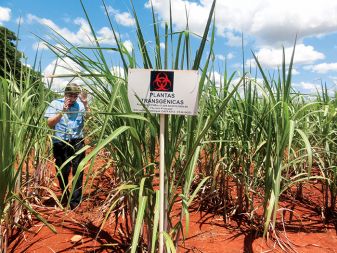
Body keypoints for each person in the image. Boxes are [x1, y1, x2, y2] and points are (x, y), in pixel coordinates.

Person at [44, 83, 90, 209]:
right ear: (65, 94)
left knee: (78, 170)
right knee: (62, 171)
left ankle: (75, 202)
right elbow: (49, 123)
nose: (73, 98)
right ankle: (65, 195)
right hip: (60, 141)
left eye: (75, 95)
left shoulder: (80, 105)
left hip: (77, 141)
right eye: (71, 95)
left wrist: (85, 104)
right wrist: (62, 112)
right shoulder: (55, 103)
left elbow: (89, 117)